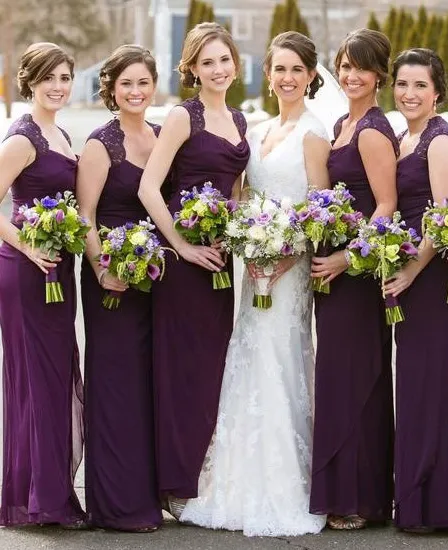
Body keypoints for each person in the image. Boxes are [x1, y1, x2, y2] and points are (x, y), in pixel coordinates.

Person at [180, 31, 331, 537]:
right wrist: (249, 239)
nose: (286, 78)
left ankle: (286, 485)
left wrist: (288, 254)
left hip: (287, 275)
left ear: (311, 76)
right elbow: (244, 196)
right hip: (254, 268)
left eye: (296, 70)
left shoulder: (313, 133)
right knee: (244, 361)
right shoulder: (262, 128)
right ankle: (234, 480)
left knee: (279, 360)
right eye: (278, 69)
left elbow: (320, 209)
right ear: (266, 75)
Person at [138, 22, 250, 518]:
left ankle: (201, 473)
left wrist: (246, 230)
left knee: (212, 369)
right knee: (181, 370)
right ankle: (173, 483)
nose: (218, 70)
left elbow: (235, 192)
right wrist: (181, 246)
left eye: (224, 60)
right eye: (207, 63)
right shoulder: (185, 117)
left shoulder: (241, 120)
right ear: (192, 69)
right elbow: (148, 188)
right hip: (185, 267)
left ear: (235, 64)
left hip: (220, 264)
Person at [309, 28, 397, 530]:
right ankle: (345, 490)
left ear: (379, 74)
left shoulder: (370, 130)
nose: (350, 75)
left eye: (361, 67)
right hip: (333, 271)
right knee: (338, 375)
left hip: (357, 273)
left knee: (356, 376)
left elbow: (385, 205)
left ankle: (359, 498)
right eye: (344, 65)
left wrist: (345, 257)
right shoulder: (344, 122)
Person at [77, 45, 163, 532]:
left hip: (154, 279)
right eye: (126, 83)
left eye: (143, 83)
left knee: (148, 383)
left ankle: (147, 492)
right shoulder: (98, 143)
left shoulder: (158, 135)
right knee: (115, 384)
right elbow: (86, 217)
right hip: (110, 280)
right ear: (110, 87)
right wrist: (102, 266)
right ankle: (115, 503)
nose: (136, 91)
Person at [0, 42, 86, 528]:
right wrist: (29, 245)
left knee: (53, 379)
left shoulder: (61, 132)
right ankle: (39, 499)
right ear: (30, 82)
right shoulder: (23, 137)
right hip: (25, 271)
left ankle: (48, 493)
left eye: (65, 78)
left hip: (58, 270)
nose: (58, 87)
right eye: (49, 78)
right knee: (35, 380)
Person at [384, 48, 448, 533]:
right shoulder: (402, 137)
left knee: (431, 386)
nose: (409, 93)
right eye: (403, 84)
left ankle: (435, 507)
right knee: (414, 386)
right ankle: (413, 499)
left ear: (437, 92)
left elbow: (443, 215)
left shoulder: (440, 141)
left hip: (432, 280)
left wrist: (413, 270)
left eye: (420, 85)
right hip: (407, 275)